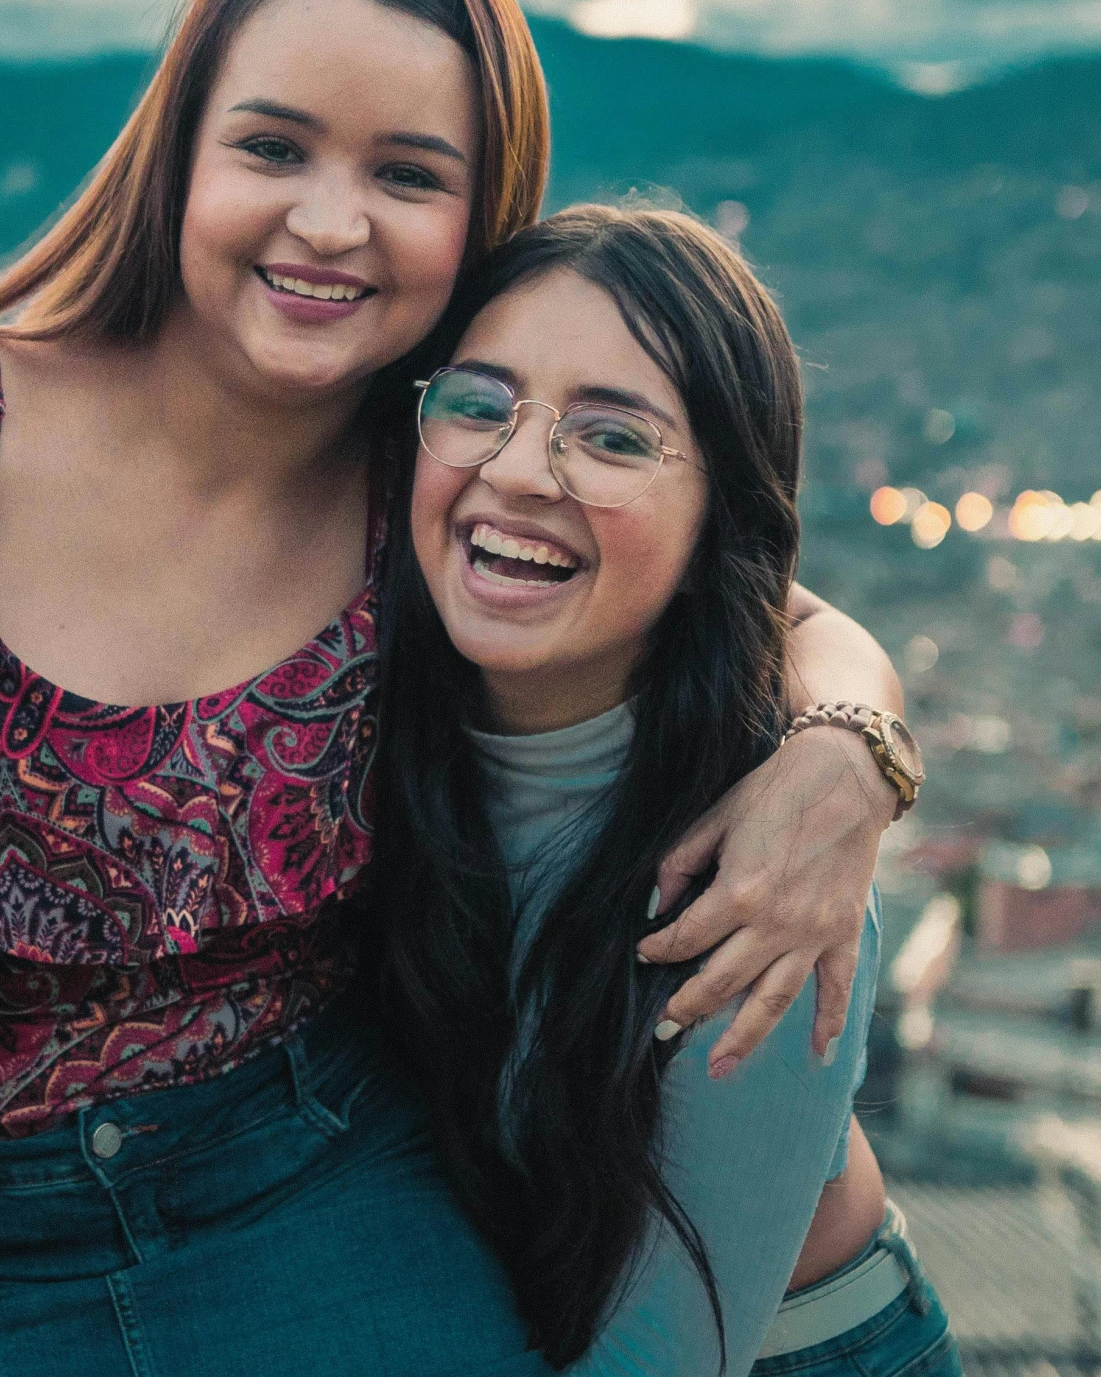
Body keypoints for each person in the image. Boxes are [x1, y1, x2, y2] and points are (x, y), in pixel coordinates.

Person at [0, 0, 908, 1376]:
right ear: (178, 155)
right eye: (273, 148)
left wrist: (847, 756)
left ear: (479, 221)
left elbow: (760, 602)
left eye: (408, 174)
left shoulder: (436, 475)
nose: (328, 220)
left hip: (322, 1183)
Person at [376, 203, 957, 1377]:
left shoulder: (765, 857)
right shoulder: (355, 700)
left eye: (614, 439)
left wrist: (850, 745)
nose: (518, 468)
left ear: (719, 520)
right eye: (481, 403)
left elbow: (655, 1356)